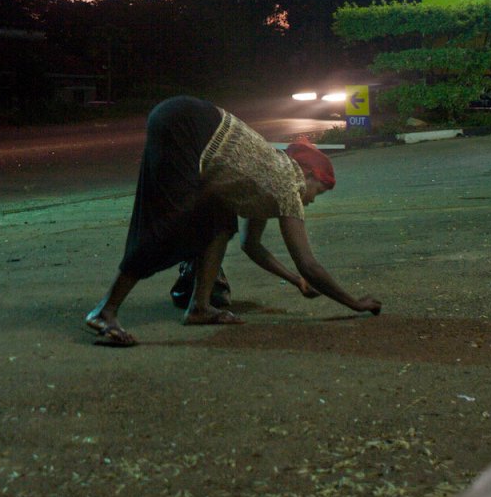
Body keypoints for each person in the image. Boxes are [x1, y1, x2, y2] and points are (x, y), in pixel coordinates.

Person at [85, 96, 381, 347]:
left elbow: (251, 245)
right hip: (186, 122)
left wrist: (296, 281)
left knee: (221, 224)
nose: (313, 199)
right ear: (307, 174)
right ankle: (105, 311)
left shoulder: (269, 179)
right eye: (318, 191)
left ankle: (199, 307)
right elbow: (309, 263)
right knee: (170, 224)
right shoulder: (287, 183)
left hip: (189, 121)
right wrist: (354, 303)